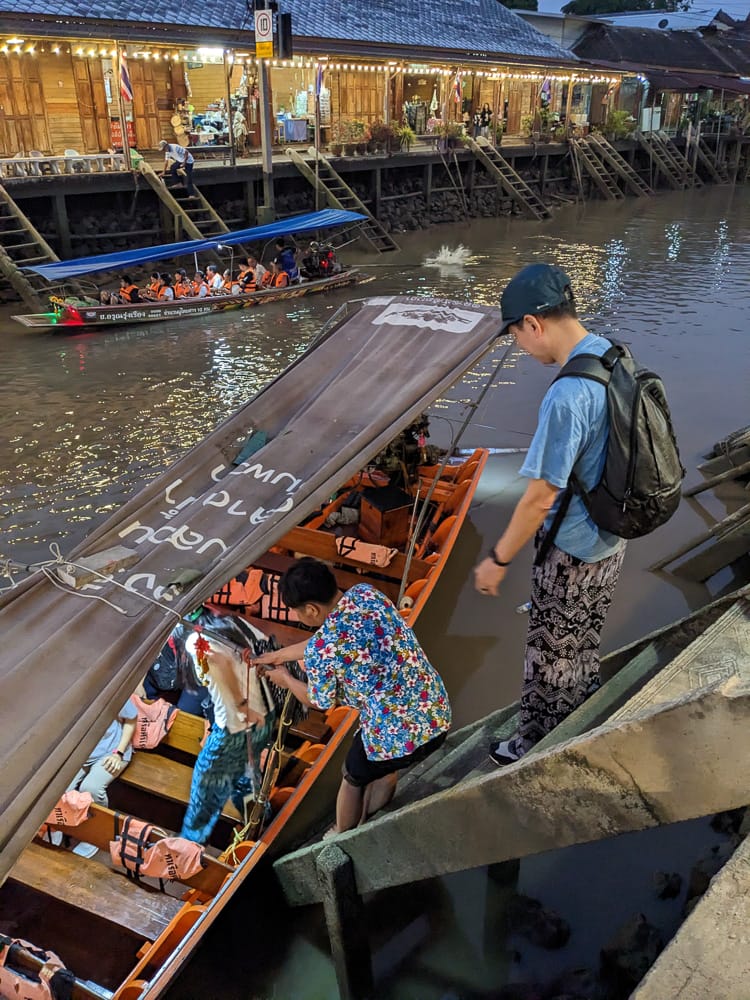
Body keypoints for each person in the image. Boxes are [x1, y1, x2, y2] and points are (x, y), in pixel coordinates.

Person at [473, 263, 626, 766]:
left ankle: (536, 746)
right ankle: (582, 705)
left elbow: (539, 497)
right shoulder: (611, 354)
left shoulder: (567, 394)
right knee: (583, 638)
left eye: (516, 334)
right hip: (614, 533)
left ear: (534, 324)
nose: (520, 346)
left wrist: (497, 558)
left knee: (549, 653)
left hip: (574, 544)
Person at [253, 558, 451, 834]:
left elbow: (318, 700)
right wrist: (279, 655)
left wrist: (285, 679)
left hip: (400, 734)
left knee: (352, 775)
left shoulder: (323, 649)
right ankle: (372, 813)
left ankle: (341, 833)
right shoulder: (364, 593)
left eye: (297, 612)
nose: (298, 618)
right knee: (381, 764)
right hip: (435, 709)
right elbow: (330, 639)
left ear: (311, 609)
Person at [179, 615, 276, 844]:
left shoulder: (195, 638)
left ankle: (188, 849)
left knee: (205, 791)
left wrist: (242, 705)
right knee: (245, 780)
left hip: (235, 727)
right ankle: (263, 831)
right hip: (263, 717)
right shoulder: (233, 622)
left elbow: (219, 662)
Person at [66, 699, 138, 856]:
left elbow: (132, 719)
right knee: (61, 788)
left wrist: (118, 753)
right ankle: (61, 826)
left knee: (91, 787)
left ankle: (97, 832)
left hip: (111, 750)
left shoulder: (108, 689)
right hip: (79, 754)